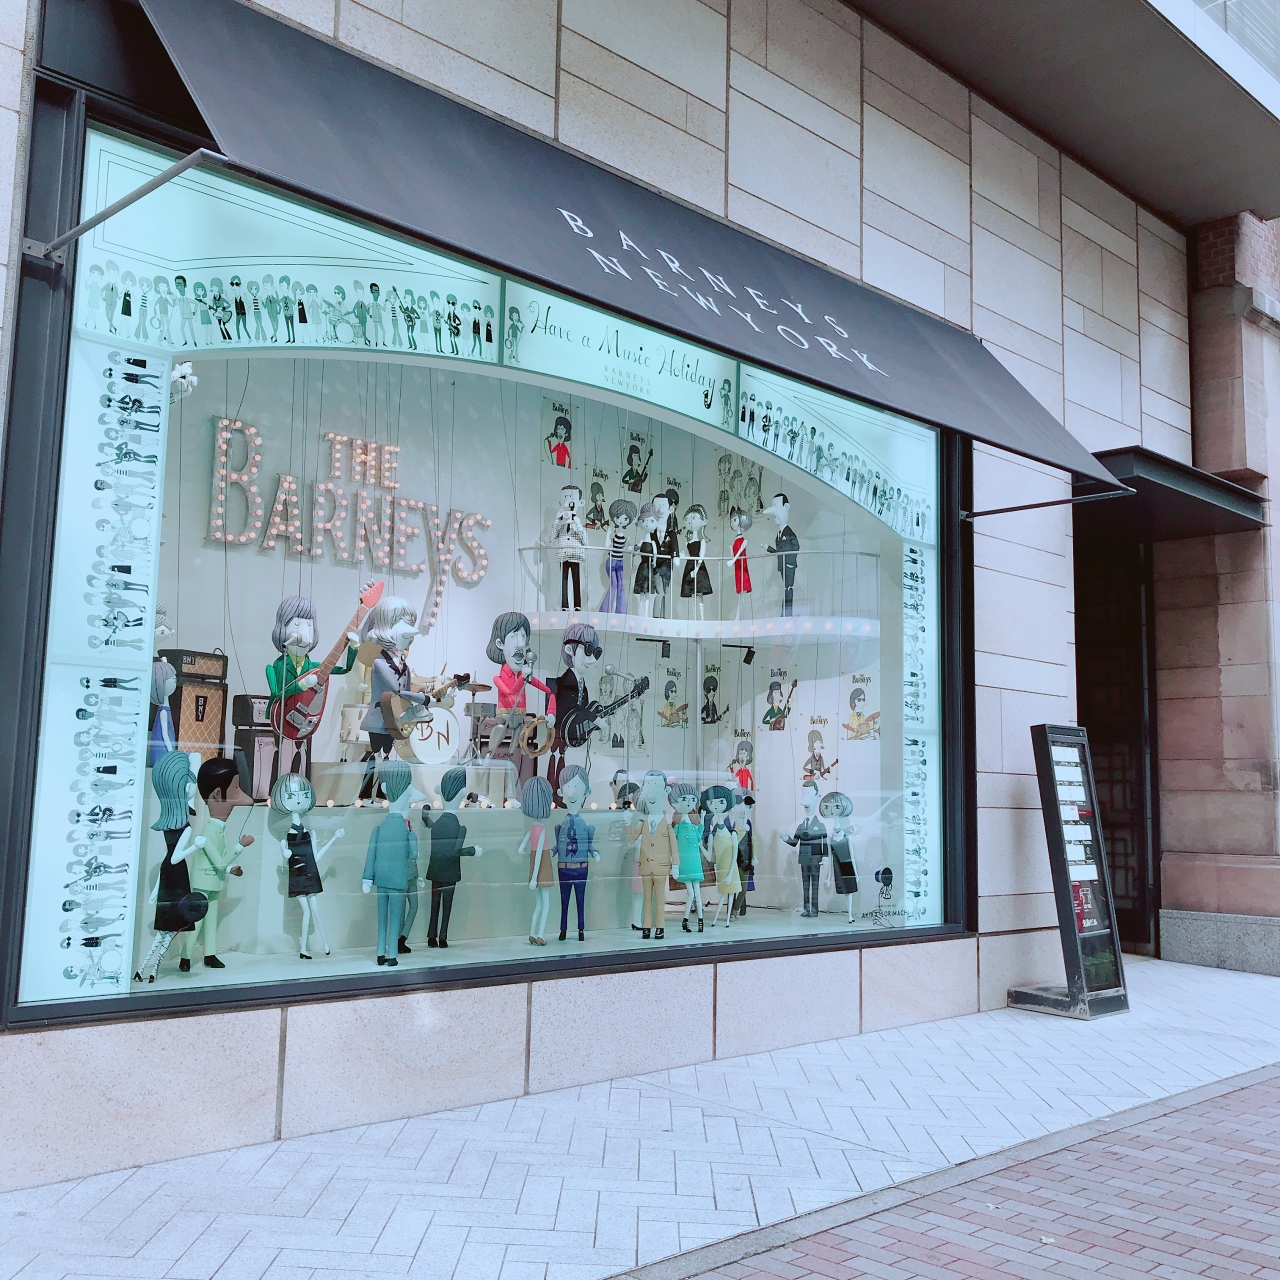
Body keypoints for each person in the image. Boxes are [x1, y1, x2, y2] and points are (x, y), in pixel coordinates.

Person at [180, 757, 254, 972]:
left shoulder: (218, 829)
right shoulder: (209, 832)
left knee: (211, 920)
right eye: (235, 788)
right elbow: (220, 861)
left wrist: (231, 869)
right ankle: (185, 956)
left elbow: (220, 859)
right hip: (203, 882)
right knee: (197, 921)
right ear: (217, 795)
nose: (240, 794)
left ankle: (209, 955)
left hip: (213, 881)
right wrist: (240, 846)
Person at [422, 767, 483, 949]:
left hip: (435, 870)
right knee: (447, 904)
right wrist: (473, 850)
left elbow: (429, 824)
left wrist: (425, 815)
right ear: (462, 793)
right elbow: (455, 851)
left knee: (434, 903)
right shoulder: (459, 827)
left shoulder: (438, 824)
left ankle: (431, 936)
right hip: (449, 872)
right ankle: (442, 937)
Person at [554, 765, 598, 941]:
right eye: (568, 787)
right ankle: (563, 929)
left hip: (580, 867)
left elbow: (588, 844)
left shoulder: (583, 825)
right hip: (564, 867)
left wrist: (594, 852)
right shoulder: (562, 825)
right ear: (561, 791)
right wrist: (551, 851)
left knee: (581, 900)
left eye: (577, 787)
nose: (571, 792)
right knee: (563, 900)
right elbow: (558, 845)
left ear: (586, 792)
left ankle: (581, 929)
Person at [783, 780, 828, 917]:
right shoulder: (801, 825)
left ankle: (814, 909)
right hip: (804, 859)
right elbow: (794, 842)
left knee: (815, 885)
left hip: (815, 859)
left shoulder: (820, 825)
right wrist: (785, 838)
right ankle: (806, 908)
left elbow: (824, 842)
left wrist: (825, 857)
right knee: (805, 885)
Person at [763, 493, 800, 616]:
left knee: (788, 588)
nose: (776, 518)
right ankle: (785, 612)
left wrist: (790, 563)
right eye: (774, 517)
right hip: (782, 566)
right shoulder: (779, 534)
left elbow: (796, 547)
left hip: (788, 566)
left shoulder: (789, 533)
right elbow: (779, 551)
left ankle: (788, 613)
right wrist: (768, 548)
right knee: (785, 588)